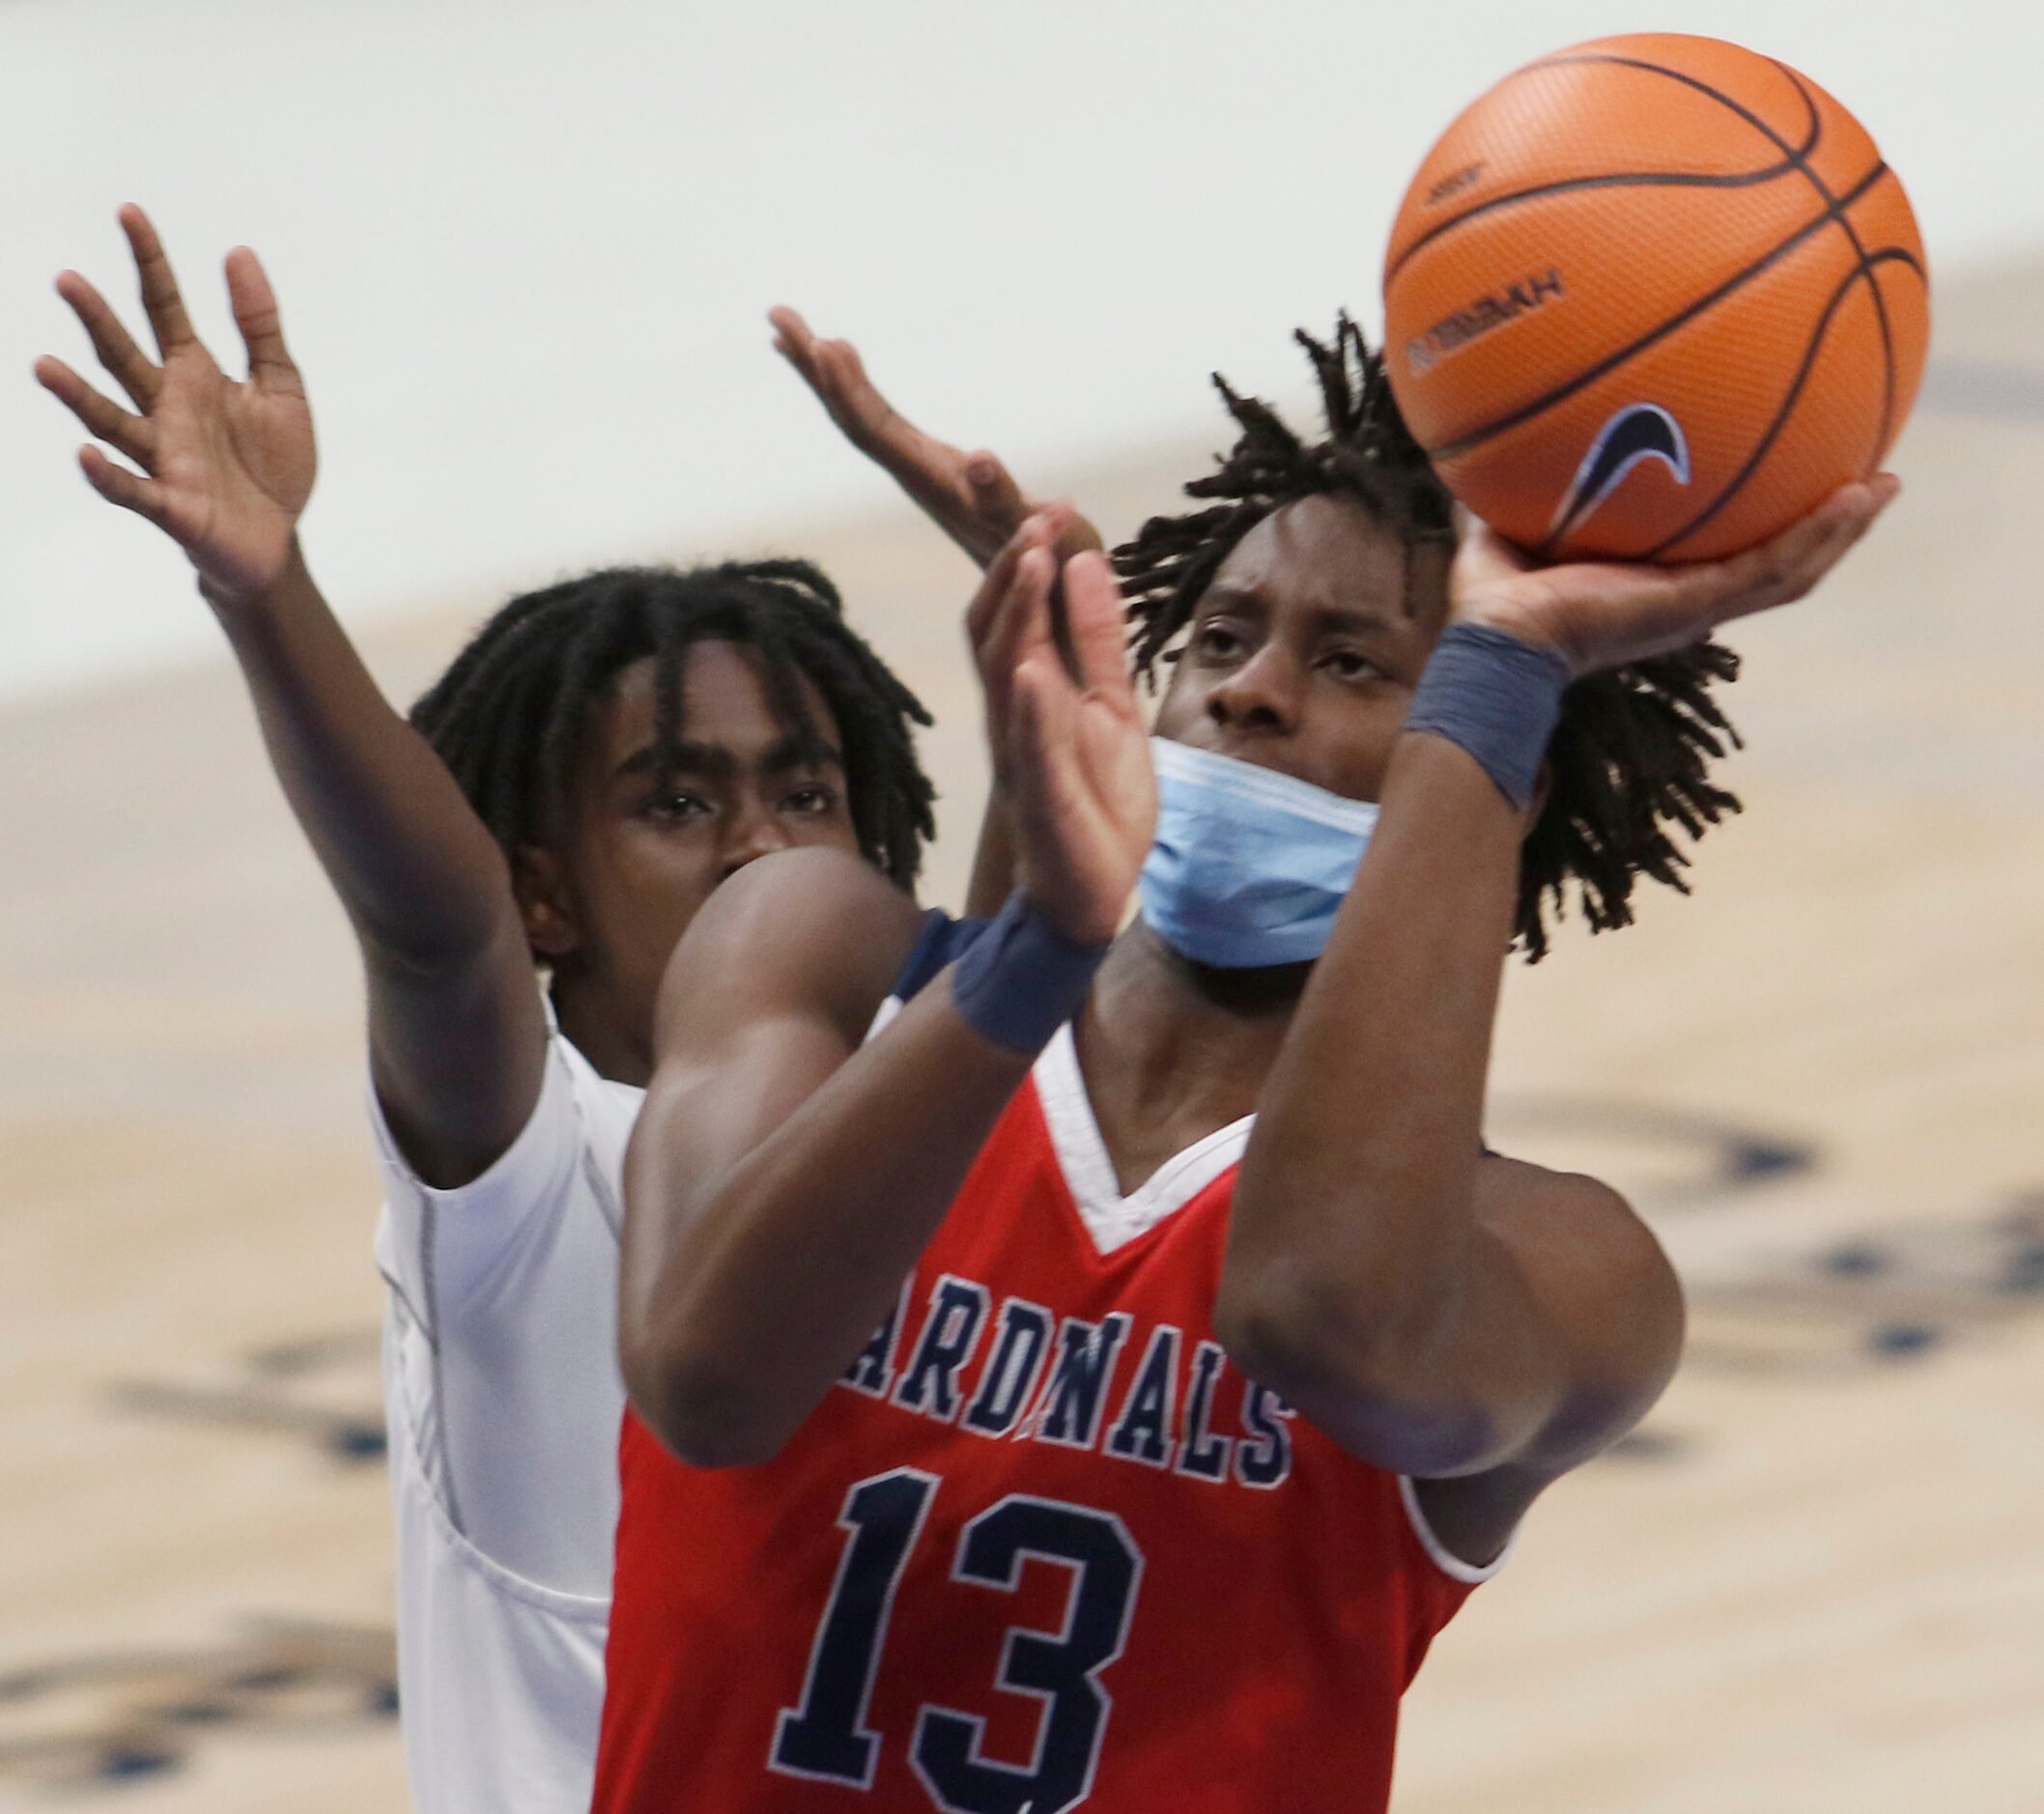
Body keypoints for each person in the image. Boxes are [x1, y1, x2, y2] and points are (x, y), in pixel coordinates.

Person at [592, 318, 1894, 1810]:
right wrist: (1035, 944)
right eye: (1218, 637)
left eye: (1350, 662)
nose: (1250, 689)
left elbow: (1320, 1315)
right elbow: (709, 1383)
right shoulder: (817, 957)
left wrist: (1506, 662)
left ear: (1495, 776)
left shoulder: (1566, 1272)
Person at [34, 209, 941, 1814]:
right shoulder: (540, 1173)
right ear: (543, 893)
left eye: (807, 792)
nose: (759, 846)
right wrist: (269, 592)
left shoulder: (955, 1137)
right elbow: (433, 938)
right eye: (676, 800)